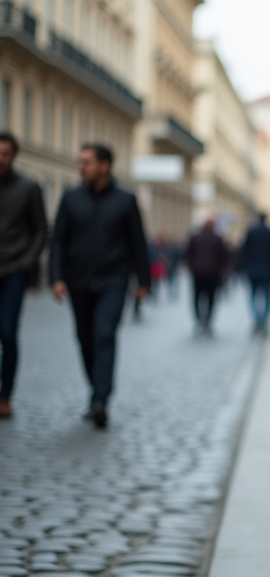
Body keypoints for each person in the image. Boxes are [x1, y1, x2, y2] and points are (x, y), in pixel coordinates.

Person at [49, 143, 151, 430]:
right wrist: (56, 277)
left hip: (113, 279)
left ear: (104, 166)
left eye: (87, 163)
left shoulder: (125, 200)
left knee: (104, 334)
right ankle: (96, 389)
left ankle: (101, 401)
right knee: (85, 338)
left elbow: (138, 242)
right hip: (78, 280)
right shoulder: (70, 198)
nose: (81, 168)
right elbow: (58, 239)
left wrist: (143, 281)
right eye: (80, 162)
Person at [0, 131, 48, 419]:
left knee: (7, 332)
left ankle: (5, 395)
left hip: (14, 270)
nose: (0, 159)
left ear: (14, 156)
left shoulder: (29, 188)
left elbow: (41, 230)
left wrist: (27, 262)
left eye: (6, 154)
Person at [240, 213, 270, 336]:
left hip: (252, 269)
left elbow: (243, 251)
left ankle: (256, 321)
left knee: (253, 296)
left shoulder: (251, 232)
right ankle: (264, 322)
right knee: (267, 297)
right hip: (268, 270)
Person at [185, 218, 228, 337]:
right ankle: (208, 321)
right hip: (213, 273)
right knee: (211, 298)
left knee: (196, 297)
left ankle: (198, 319)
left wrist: (191, 266)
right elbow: (223, 257)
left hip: (197, 272)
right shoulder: (217, 238)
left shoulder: (195, 237)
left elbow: (188, 254)